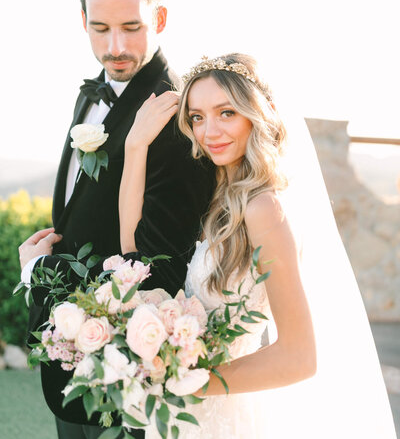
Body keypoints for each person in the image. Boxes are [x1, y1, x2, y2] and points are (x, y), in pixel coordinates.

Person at [120, 53, 397, 438]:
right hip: (184, 413)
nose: (209, 131)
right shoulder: (217, 195)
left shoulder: (264, 208)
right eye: (197, 117)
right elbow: (135, 255)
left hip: (226, 414)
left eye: (226, 113)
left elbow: (300, 358)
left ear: (257, 114)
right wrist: (135, 147)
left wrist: (188, 380)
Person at [18, 0, 215, 439]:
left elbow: (160, 270)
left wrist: (35, 269)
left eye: (131, 27)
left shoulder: (178, 118)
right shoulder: (90, 93)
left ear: (160, 18)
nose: (115, 47)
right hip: (67, 358)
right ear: (82, 20)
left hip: (124, 379)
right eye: (100, 29)